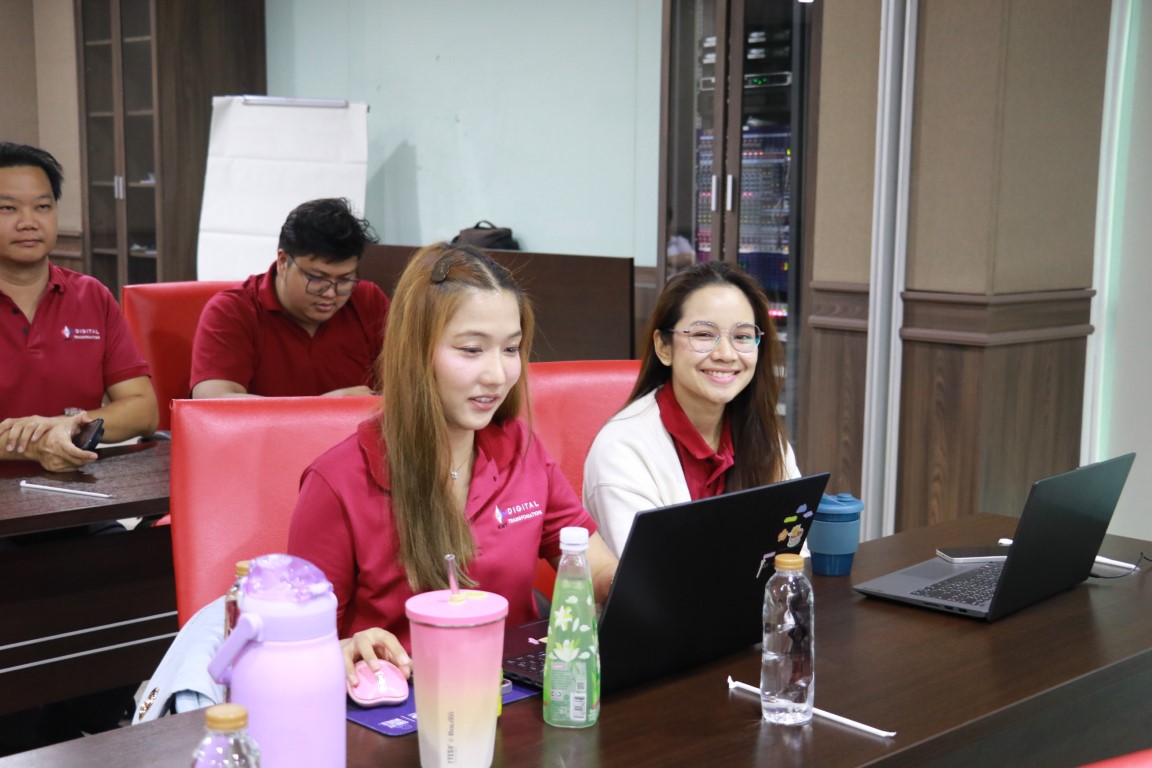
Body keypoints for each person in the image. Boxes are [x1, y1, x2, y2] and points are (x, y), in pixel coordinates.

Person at [287, 241, 618, 683]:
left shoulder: (521, 448)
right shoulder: (336, 481)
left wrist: (636, 584)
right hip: (405, 702)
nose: (497, 375)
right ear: (416, 350)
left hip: (519, 692)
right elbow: (296, 649)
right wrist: (344, 648)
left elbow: (592, 565)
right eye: (471, 349)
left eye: (511, 349)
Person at [583, 260, 800, 556]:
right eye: (703, 335)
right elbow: (653, 574)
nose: (726, 354)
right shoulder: (621, 449)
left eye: (742, 337)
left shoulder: (763, 434)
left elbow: (795, 549)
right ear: (664, 347)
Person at [0, 142, 158, 472]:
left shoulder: (91, 296)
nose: (28, 222)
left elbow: (143, 410)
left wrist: (65, 426)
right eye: (8, 208)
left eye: (43, 206)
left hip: (77, 489)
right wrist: (33, 446)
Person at [190, 197, 390, 398]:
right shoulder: (232, 311)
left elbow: (405, 381)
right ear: (283, 262)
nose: (331, 293)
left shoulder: (368, 301)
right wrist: (323, 407)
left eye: (345, 279)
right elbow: (212, 401)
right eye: (316, 278)